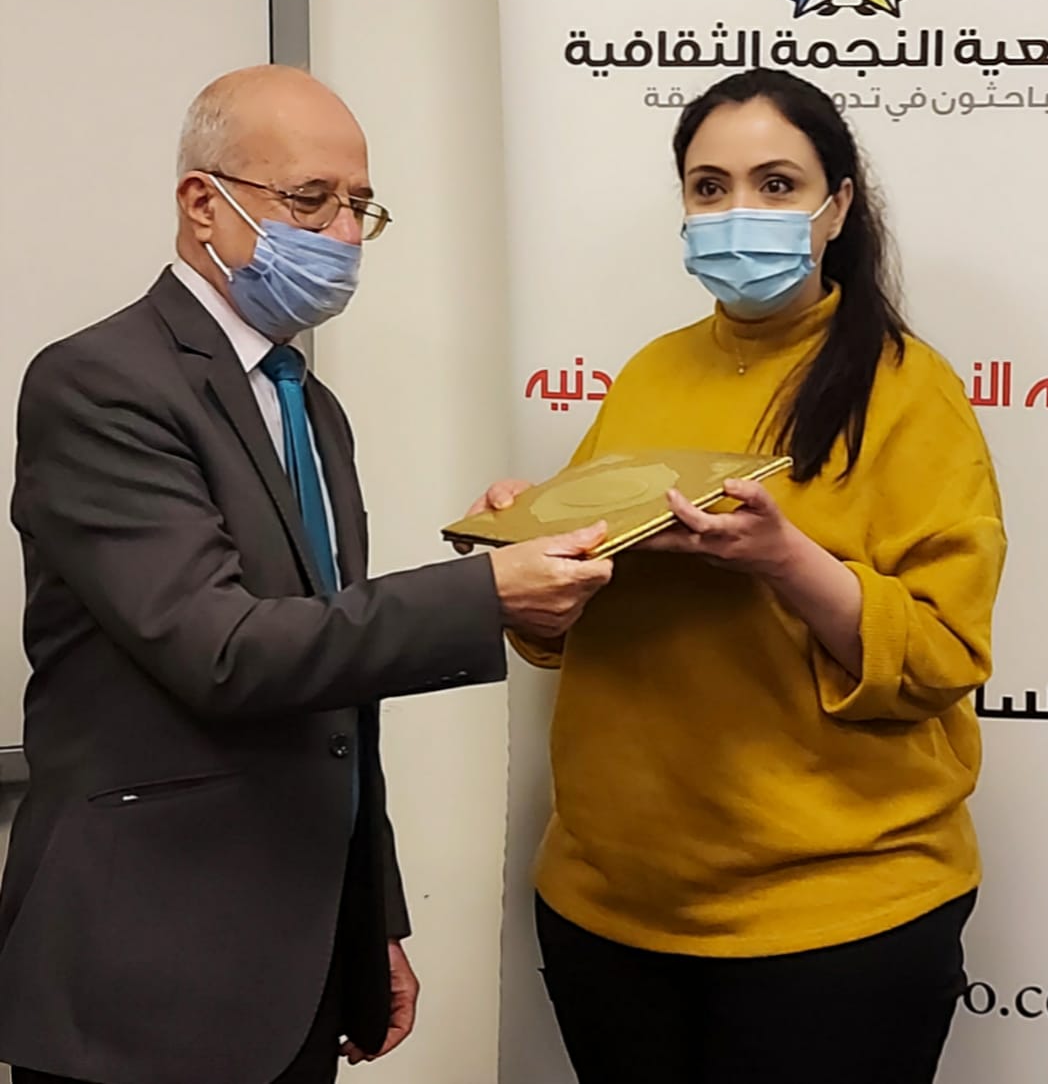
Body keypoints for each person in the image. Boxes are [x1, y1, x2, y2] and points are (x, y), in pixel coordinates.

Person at [0, 65, 611, 1084]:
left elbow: (333, 701)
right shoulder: (100, 382)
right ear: (202, 202)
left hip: (295, 959)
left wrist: (369, 918)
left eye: (358, 205)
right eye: (309, 199)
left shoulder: (308, 403)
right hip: (141, 979)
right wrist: (485, 593)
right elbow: (223, 650)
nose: (340, 234)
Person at [470, 69, 1006, 1083]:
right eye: (708, 187)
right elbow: (563, 628)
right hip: (606, 907)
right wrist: (532, 547)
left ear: (836, 206)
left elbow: (942, 654)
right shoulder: (649, 372)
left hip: (833, 922)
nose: (737, 212)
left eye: (775, 183)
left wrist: (784, 557)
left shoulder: (907, 390)